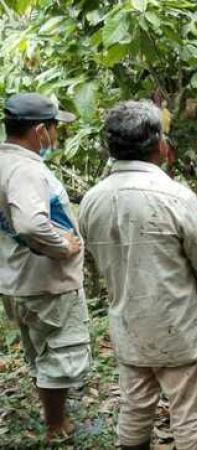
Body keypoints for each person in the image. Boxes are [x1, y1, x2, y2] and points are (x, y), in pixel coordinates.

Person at [79, 101, 197, 450]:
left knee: (135, 408)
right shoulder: (174, 197)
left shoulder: (92, 200)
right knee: (190, 417)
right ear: (159, 144)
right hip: (178, 325)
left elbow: (95, 261)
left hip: (128, 325)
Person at [0, 93, 90, 441]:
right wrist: (63, 246)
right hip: (47, 284)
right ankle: (57, 427)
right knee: (59, 356)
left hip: (18, 278)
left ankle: (57, 418)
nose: (56, 137)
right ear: (39, 130)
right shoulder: (25, 170)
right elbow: (31, 225)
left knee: (42, 353)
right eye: (54, 129)